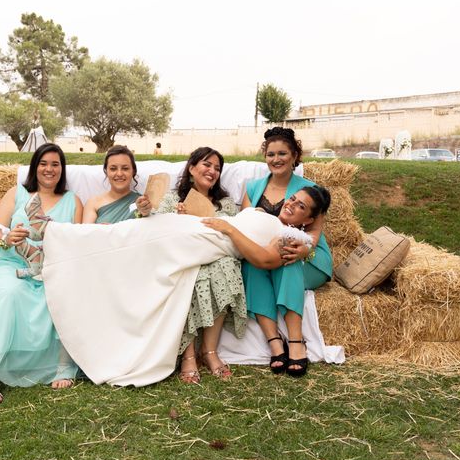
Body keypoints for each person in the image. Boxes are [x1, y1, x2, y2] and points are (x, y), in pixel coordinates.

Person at [39, 188, 325, 387]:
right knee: (132, 231)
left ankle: (57, 241)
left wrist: (229, 230)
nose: (291, 204)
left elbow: (263, 260)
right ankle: (55, 236)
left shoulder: (288, 237)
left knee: (139, 242)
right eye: (293, 198)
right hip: (201, 226)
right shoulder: (263, 212)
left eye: (301, 207)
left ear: (309, 219)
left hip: (215, 240)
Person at [0, 143, 83, 404]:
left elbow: (78, 238)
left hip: (52, 267)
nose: (49, 169)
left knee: (65, 294)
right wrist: (8, 237)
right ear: (35, 166)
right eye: (44, 163)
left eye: (55, 164)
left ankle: (63, 366)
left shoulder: (73, 201)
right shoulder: (17, 193)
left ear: (62, 169)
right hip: (10, 264)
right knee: (8, 293)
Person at [241, 127, 333, 377]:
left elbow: (314, 232)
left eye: (283, 153)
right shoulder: (253, 188)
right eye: (271, 154)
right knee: (251, 263)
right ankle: (274, 342)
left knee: (288, 257)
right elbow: (246, 223)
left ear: (294, 156)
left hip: (308, 257)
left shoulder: (310, 188)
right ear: (265, 156)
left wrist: (305, 250)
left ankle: (295, 342)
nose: (276, 159)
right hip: (267, 254)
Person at [155, 147, 244, 384]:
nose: (212, 171)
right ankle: (188, 355)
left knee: (226, 268)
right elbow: (156, 229)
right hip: (182, 258)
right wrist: (177, 220)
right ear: (192, 168)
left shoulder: (224, 203)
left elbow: (232, 235)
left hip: (215, 256)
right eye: (207, 164)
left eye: (217, 168)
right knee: (189, 276)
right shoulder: (173, 199)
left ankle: (209, 351)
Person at [83, 145, 152, 224]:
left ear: (133, 171)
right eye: (113, 169)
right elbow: (86, 233)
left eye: (125, 168)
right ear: (106, 171)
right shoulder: (93, 203)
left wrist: (145, 213)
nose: (119, 174)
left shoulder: (143, 202)